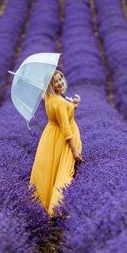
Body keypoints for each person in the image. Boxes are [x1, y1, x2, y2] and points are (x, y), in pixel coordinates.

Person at [29, 70, 83, 218]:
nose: (60, 82)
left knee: (50, 171)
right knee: (65, 173)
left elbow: (60, 112)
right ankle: (58, 209)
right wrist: (74, 151)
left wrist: (72, 105)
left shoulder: (49, 97)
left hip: (50, 137)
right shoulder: (59, 102)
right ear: (50, 85)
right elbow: (66, 130)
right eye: (55, 82)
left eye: (60, 79)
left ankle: (43, 205)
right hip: (62, 140)